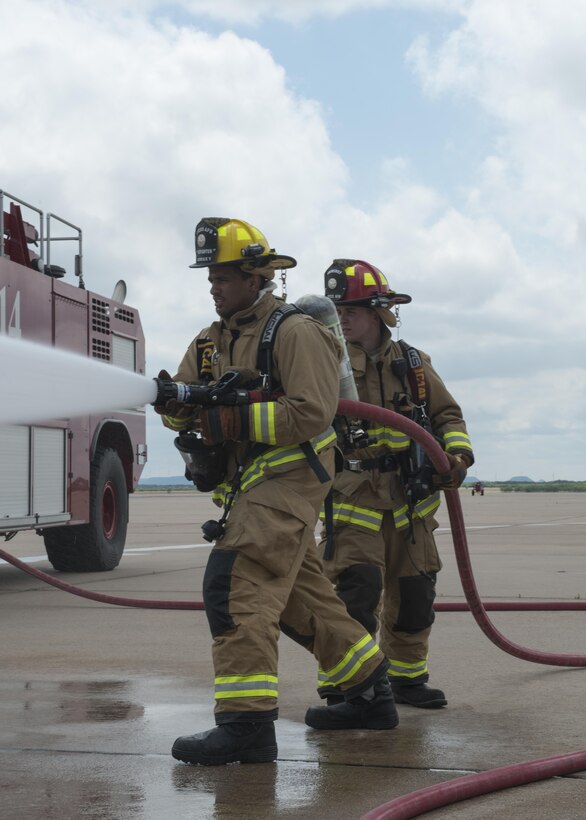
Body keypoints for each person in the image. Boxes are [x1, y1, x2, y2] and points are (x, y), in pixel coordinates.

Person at [155, 220, 397, 767]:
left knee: (235, 583)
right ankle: (369, 693)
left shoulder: (295, 332)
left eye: (223, 275)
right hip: (250, 486)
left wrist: (231, 424)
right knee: (298, 598)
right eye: (209, 276)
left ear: (256, 275)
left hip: (291, 476)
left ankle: (245, 726)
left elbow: (313, 411)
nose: (213, 285)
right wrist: (173, 402)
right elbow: (191, 411)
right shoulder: (210, 340)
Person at [318, 258, 474, 709]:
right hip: (354, 499)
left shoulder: (413, 365)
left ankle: (407, 680)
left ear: (379, 312)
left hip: (412, 503)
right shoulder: (325, 364)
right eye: (337, 310)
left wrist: (456, 457)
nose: (342, 318)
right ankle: (347, 684)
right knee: (355, 595)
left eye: (352, 309)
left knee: (414, 597)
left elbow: (448, 416)